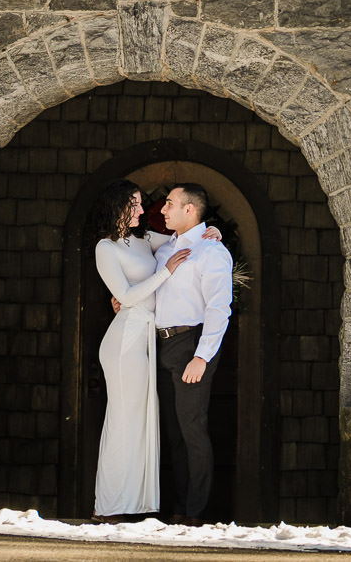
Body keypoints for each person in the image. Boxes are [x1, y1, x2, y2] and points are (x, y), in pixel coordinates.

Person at [90, 179, 218, 520]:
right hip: (125, 340)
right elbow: (129, 296)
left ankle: (136, 504)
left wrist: (214, 231)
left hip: (147, 338)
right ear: (117, 206)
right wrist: (166, 272)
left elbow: (186, 238)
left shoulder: (145, 240)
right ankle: (110, 504)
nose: (144, 210)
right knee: (123, 418)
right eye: (134, 204)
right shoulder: (106, 248)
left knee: (142, 421)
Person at [153, 182, 234, 525]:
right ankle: (178, 506)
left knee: (192, 430)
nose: (162, 209)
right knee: (173, 433)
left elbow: (219, 308)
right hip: (161, 344)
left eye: (169, 204)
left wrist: (202, 357)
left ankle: (196, 512)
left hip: (192, 344)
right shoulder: (162, 249)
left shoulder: (211, 251)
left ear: (190, 210)